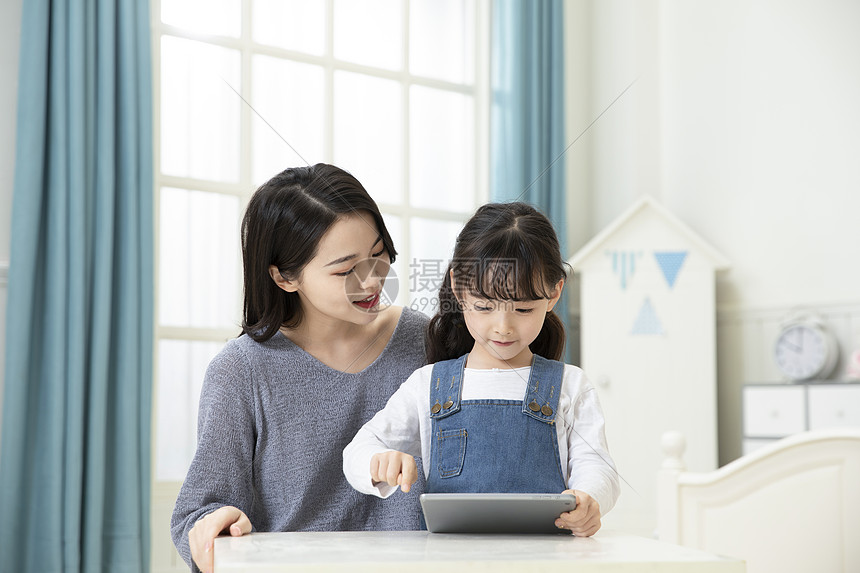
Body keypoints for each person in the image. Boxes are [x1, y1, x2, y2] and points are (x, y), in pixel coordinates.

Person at [171, 164, 428, 573]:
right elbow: (197, 515)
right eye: (345, 270)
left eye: (378, 253)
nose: (373, 278)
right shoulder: (241, 370)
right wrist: (213, 528)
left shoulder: (427, 341)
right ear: (285, 277)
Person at [343, 202, 620, 536]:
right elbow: (357, 451)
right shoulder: (428, 384)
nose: (503, 327)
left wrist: (589, 498)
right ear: (459, 290)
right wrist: (379, 462)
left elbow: (597, 467)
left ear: (553, 293)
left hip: (547, 561)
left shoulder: (571, 385)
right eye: (485, 307)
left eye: (523, 308)